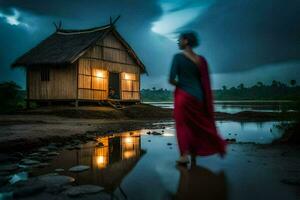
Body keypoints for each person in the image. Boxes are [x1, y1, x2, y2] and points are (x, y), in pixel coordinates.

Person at [169, 31, 227, 164]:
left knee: (182, 125)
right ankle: (195, 152)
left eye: (180, 39)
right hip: (198, 98)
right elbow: (204, 82)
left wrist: (181, 85)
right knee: (196, 125)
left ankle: (184, 155)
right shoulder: (201, 60)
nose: (178, 42)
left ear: (186, 41)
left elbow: (172, 79)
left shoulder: (178, 57)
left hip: (183, 96)